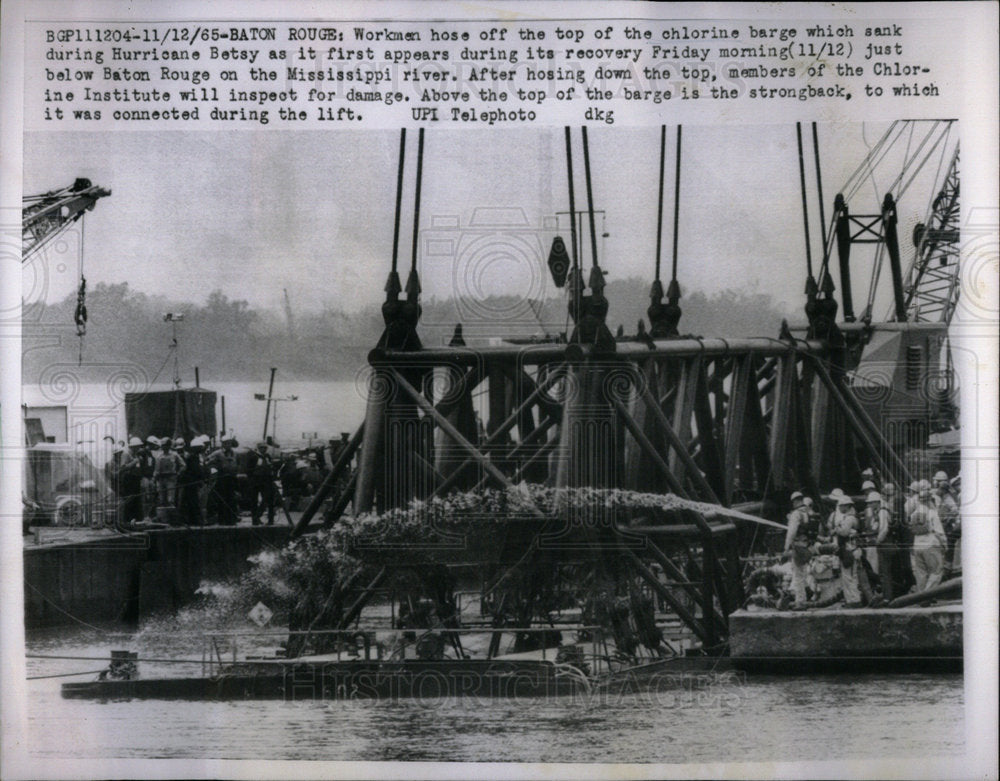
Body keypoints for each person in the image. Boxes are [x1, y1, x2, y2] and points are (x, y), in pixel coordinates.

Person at [908, 481, 947, 592]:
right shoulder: (932, 513)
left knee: (921, 573)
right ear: (929, 500)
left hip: (917, 546)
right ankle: (927, 594)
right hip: (931, 544)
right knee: (937, 571)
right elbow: (939, 531)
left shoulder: (913, 515)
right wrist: (945, 544)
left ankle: (920, 597)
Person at [782, 491, 816, 608]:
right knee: (804, 573)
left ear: (795, 501)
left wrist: (786, 547)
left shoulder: (796, 514)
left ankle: (800, 602)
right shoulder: (810, 512)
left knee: (798, 576)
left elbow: (791, 532)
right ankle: (807, 594)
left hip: (799, 547)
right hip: (809, 547)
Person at [864, 491, 894, 602]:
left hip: (884, 543)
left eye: (872, 503)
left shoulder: (882, 512)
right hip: (883, 543)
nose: (870, 505)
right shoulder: (880, 512)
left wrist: (878, 540)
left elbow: (884, 529)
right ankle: (886, 594)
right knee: (883, 571)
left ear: (877, 502)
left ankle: (888, 597)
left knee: (885, 571)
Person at [933, 470, 961, 575]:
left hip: (945, 527)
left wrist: (946, 519)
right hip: (942, 525)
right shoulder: (941, 496)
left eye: (937, 482)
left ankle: (946, 569)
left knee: (946, 546)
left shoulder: (947, 497)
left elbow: (955, 510)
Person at [206, 438, 240, 526]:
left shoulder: (235, 453)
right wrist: (215, 471)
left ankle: (232, 519)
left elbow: (238, 463)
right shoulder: (217, 453)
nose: (228, 445)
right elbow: (208, 462)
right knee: (222, 499)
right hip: (222, 479)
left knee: (232, 498)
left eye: (229, 443)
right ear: (223, 444)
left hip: (232, 478)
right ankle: (222, 520)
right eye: (226, 443)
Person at [116, 437, 145, 529]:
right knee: (129, 499)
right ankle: (128, 520)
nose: (138, 448)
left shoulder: (136, 455)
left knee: (136, 499)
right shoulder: (126, 454)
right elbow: (123, 468)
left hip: (135, 479)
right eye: (137, 446)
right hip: (129, 479)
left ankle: (135, 519)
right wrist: (134, 462)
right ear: (133, 446)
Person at [178, 436, 207, 526]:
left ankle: (193, 519)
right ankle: (193, 520)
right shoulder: (192, 458)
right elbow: (195, 470)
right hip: (191, 483)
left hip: (193, 483)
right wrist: (200, 478)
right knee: (192, 501)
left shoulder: (196, 457)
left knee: (193, 501)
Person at [246, 441, 277, 526]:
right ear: (259, 448)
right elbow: (248, 470)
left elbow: (271, 468)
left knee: (268, 499)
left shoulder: (267, 456)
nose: (263, 449)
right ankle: (255, 520)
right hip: (256, 481)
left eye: (265, 448)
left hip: (266, 480)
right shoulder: (253, 457)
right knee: (254, 501)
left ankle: (269, 519)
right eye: (261, 448)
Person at [153, 438, 185, 516]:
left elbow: (183, 465)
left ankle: (171, 517)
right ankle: (163, 517)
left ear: (169, 446)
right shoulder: (159, 456)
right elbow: (156, 468)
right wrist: (155, 477)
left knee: (170, 498)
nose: (164, 447)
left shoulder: (174, 455)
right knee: (161, 498)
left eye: (166, 445)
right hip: (161, 478)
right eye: (163, 445)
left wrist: (178, 473)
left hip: (171, 478)